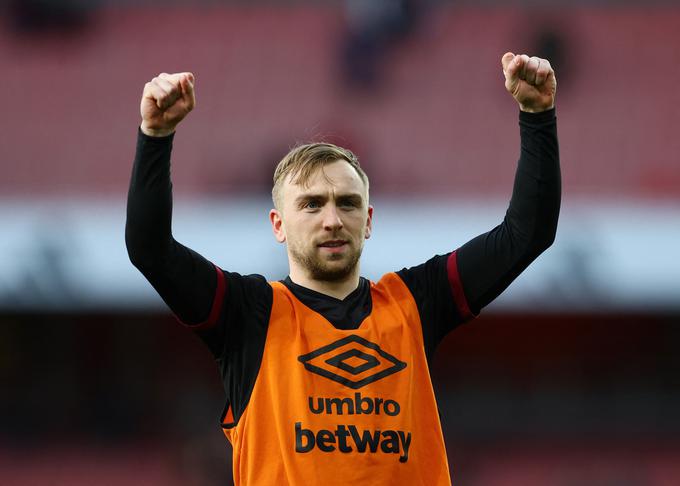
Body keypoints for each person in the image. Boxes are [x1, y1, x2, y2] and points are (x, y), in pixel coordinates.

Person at [126, 52, 560, 485]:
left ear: (368, 220)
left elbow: (527, 234)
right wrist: (155, 136)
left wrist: (537, 115)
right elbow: (150, 250)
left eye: (347, 203)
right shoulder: (248, 314)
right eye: (311, 204)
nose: (332, 219)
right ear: (278, 224)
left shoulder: (416, 302)